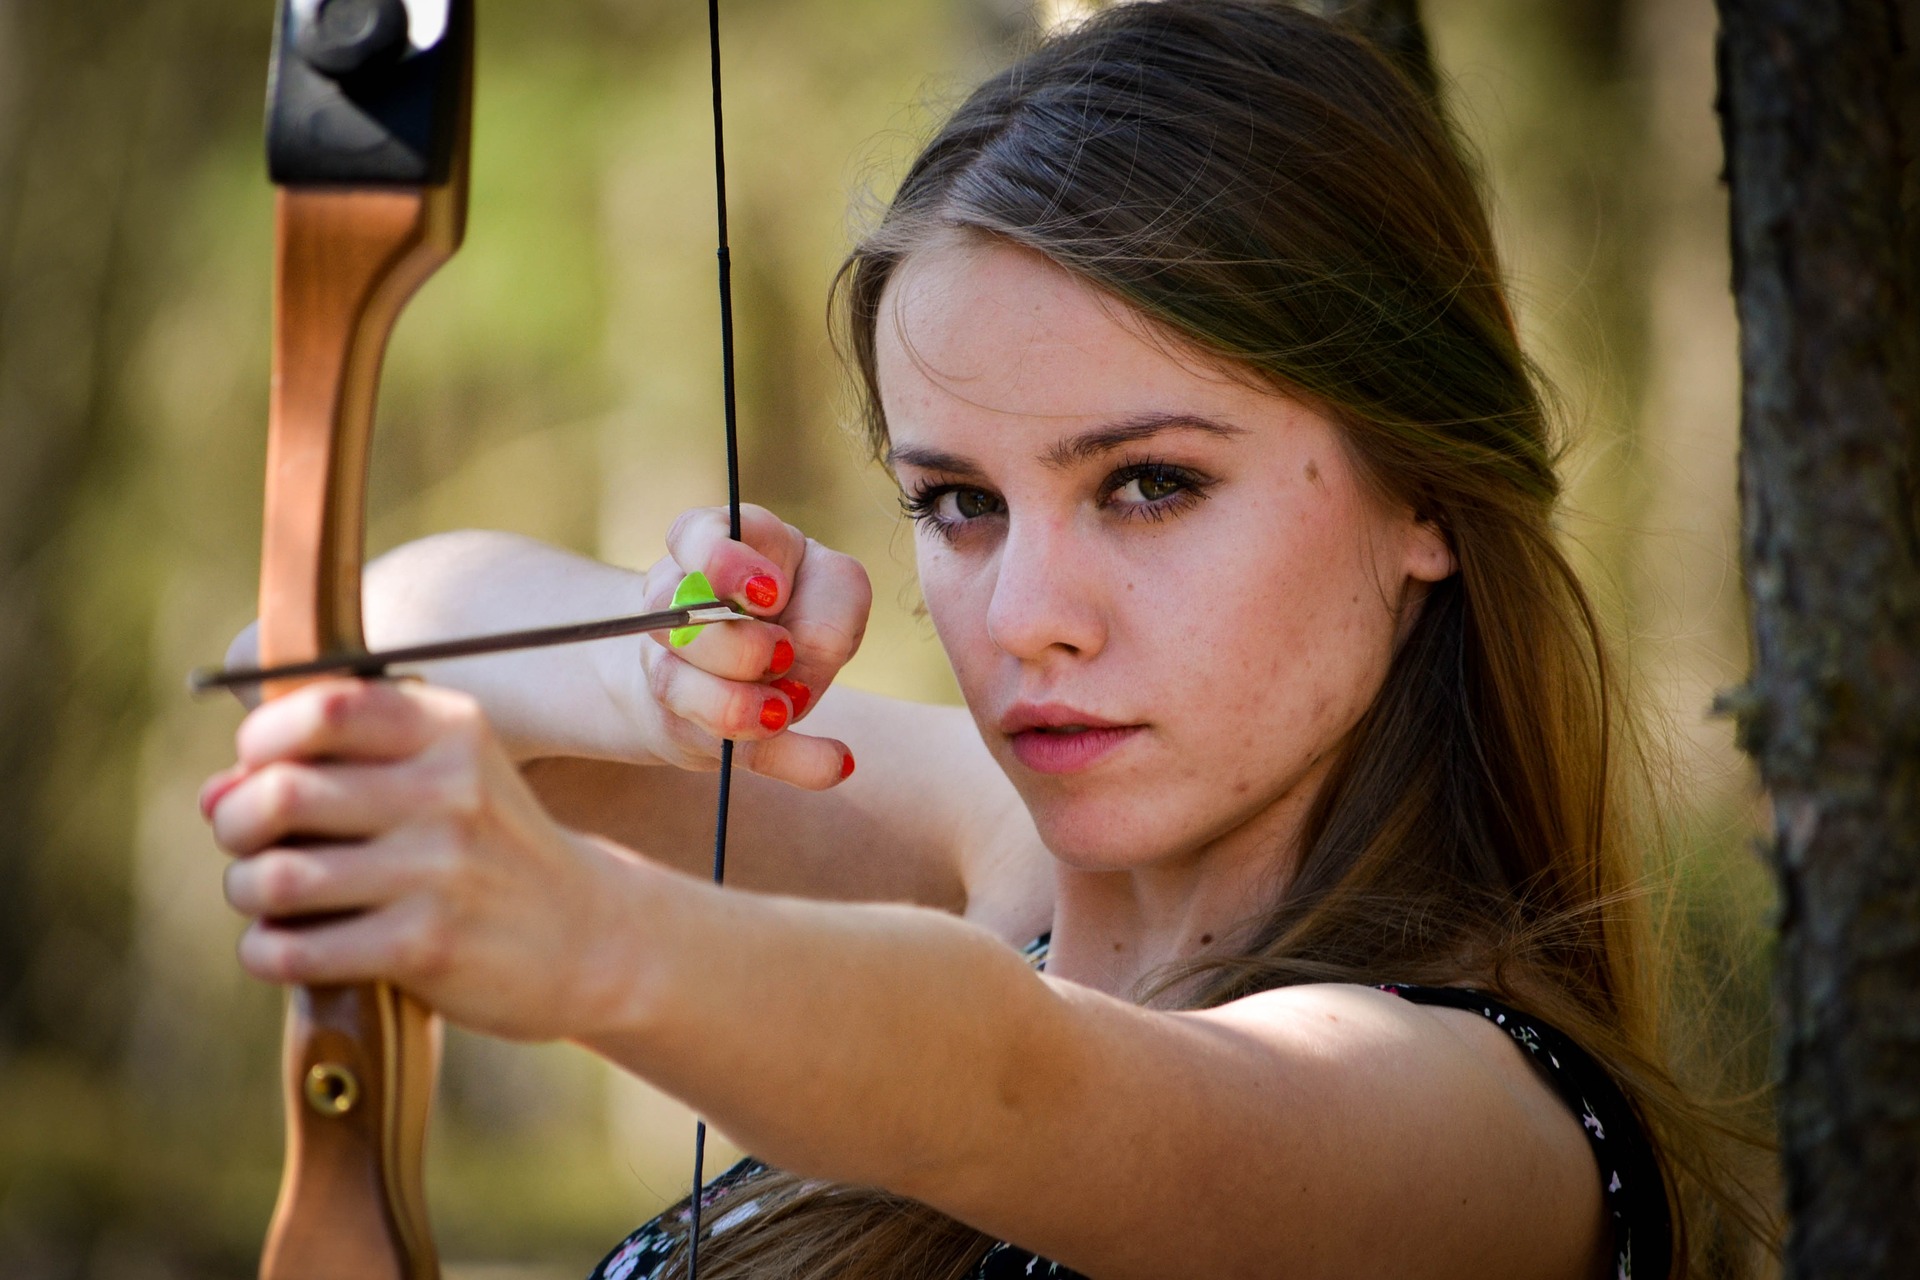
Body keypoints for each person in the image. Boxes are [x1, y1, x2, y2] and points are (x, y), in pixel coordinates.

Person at [200, 3, 1770, 1277]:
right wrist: (652, 681)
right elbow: (340, 643)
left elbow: (1017, 1081)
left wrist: (593, 940)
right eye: (958, 503)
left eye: (1152, 485)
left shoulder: (1481, 1132)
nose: (1026, 619)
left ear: (1420, 493)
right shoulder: (1000, 854)